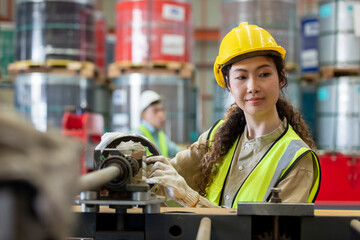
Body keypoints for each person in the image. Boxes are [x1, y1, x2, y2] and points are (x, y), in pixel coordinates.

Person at [145, 22, 321, 208]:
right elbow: (161, 178)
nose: (253, 87)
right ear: (228, 84)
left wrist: (189, 198)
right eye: (242, 77)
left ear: (281, 78)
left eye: (263, 74)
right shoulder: (217, 137)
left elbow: (269, 233)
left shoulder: (296, 159)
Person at [131, 90, 181, 158]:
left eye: (162, 110)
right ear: (143, 114)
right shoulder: (136, 136)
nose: (161, 114)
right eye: (155, 110)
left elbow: (178, 152)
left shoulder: (160, 135)